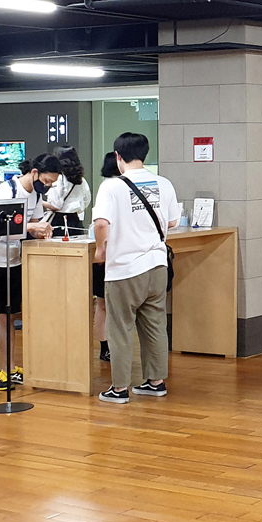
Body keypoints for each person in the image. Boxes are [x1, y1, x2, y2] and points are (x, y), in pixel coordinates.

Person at [92, 132, 180, 403]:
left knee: (120, 328)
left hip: (124, 269)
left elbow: (101, 223)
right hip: (157, 266)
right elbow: (173, 222)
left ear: (118, 156)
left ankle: (119, 388)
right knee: (155, 325)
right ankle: (156, 382)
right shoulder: (164, 183)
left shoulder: (112, 186)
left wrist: (100, 249)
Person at [0, 153, 58, 391]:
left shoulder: (36, 195)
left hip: (13, 261)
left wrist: (40, 230)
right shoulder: (5, 191)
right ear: (34, 172)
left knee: (8, 316)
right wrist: (30, 226)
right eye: (47, 181)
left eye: (52, 184)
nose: (47, 186)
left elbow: (33, 226)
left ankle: (10, 367)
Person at [92, 151, 118, 361]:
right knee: (102, 303)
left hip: (111, 252)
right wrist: (101, 249)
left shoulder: (110, 187)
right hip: (107, 252)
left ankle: (107, 346)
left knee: (102, 304)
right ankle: (105, 345)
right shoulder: (108, 187)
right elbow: (100, 224)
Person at [44, 145, 90, 233]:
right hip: (75, 220)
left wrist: (40, 203)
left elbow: (56, 205)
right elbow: (86, 200)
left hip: (58, 221)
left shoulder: (58, 179)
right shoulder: (81, 180)